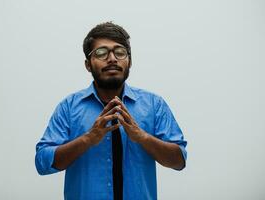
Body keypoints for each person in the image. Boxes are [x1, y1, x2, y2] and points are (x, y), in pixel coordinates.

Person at [35, 22, 187, 200]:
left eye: (120, 52)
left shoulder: (154, 105)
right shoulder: (68, 107)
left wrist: (142, 137)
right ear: (88, 64)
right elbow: (42, 163)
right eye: (101, 53)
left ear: (129, 61)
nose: (112, 58)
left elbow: (179, 161)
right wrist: (88, 139)